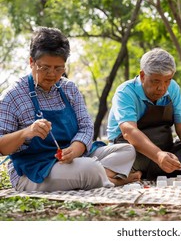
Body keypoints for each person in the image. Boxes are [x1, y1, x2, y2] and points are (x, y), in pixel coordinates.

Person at [0, 27, 139, 192]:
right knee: (89, 168)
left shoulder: (69, 89)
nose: (52, 74)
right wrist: (26, 132)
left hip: (74, 158)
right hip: (35, 170)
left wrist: (76, 148)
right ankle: (115, 180)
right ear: (31, 62)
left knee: (127, 150)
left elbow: (86, 126)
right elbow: (2, 147)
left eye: (59, 68)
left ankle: (99, 177)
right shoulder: (13, 95)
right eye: (45, 68)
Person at [107, 48, 181, 180]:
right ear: (143, 76)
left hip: (165, 150)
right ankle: (125, 175)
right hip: (132, 153)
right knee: (126, 155)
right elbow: (129, 131)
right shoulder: (125, 92)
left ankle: (142, 174)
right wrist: (158, 155)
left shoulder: (173, 88)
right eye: (156, 81)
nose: (162, 87)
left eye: (167, 81)